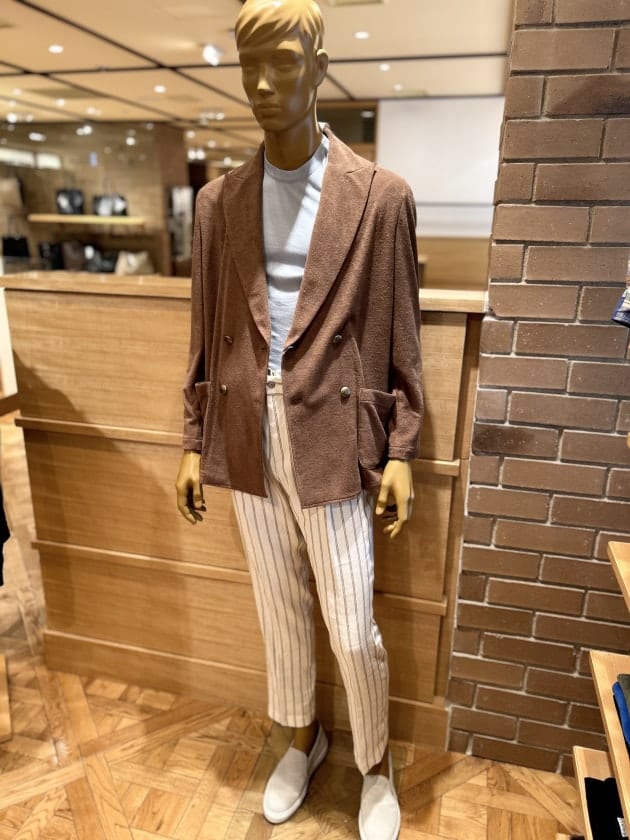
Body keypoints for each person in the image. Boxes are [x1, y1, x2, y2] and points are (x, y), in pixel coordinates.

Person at [175, 1, 423, 836]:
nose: (262, 83)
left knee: (350, 624)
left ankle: (376, 764)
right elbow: (207, 328)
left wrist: (403, 450)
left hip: (334, 431)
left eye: (282, 61)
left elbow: (401, 334)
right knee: (279, 610)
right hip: (245, 427)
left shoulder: (380, 197)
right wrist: (193, 439)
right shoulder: (218, 202)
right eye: (249, 63)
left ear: (319, 67)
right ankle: (301, 738)